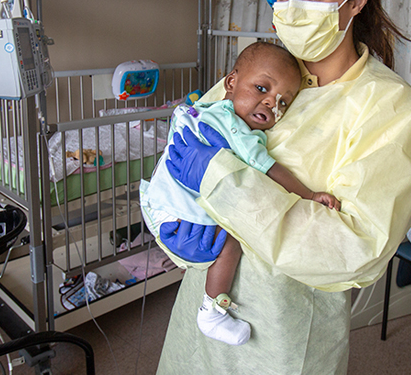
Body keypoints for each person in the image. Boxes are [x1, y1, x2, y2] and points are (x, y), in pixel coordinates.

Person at [156, 0, 411, 374]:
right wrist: (169, 224)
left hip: (284, 329)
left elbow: (357, 247)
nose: (291, 10)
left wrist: (224, 182)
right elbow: (184, 149)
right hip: (202, 303)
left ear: (356, 1)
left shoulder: (389, 106)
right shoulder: (267, 69)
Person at [140, 42, 340, 346]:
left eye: (282, 103)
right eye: (261, 88)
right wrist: (308, 194)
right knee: (231, 243)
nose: (271, 104)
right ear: (231, 83)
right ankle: (212, 311)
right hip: (182, 225)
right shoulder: (239, 133)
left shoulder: (205, 110)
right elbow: (272, 170)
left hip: (156, 207)